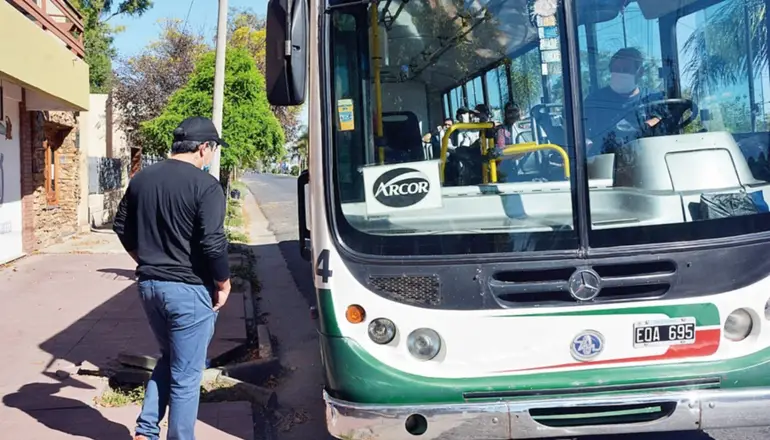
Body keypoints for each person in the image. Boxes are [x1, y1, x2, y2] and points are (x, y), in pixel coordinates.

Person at [113, 116, 232, 440]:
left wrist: (144, 260)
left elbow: (121, 226)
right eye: (213, 149)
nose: (212, 156)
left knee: (171, 359)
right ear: (203, 148)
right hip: (189, 292)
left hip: (150, 287)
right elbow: (213, 242)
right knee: (187, 377)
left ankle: (146, 431)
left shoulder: (142, 179)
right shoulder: (206, 186)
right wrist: (223, 283)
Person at [583, 47, 663, 157]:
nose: (620, 73)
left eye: (626, 70)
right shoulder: (595, 100)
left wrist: (645, 127)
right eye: (616, 69)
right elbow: (583, 130)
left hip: (648, 156)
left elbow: (663, 118)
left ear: (640, 72)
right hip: (605, 159)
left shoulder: (653, 98)